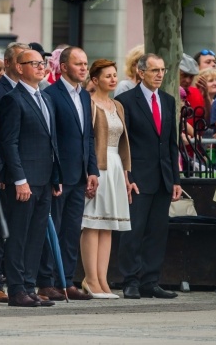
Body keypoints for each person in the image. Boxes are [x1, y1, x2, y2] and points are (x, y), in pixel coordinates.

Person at [115, 53, 182, 299]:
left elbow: (171, 143)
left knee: (157, 232)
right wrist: (127, 176)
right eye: (155, 70)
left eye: (162, 70)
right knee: (133, 232)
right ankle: (130, 280)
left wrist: (176, 179)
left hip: (163, 177)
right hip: (138, 178)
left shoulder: (167, 100)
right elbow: (124, 144)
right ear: (141, 73)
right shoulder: (125, 101)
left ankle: (150, 281)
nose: (160, 75)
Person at [0, 49, 61, 307]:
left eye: (42, 63)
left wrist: (55, 177)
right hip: (25, 180)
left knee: (37, 236)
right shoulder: (14, 99)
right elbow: (9, 143)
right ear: (20, 68)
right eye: (33, 63)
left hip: (45, 178)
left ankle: (29, 285)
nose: (40, 67)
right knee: (19, 235)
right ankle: (15, 289)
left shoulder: (45, 98)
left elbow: (51, 141)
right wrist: (19, 179)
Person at [37, 47, 99, 302]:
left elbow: (89, 137)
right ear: (63, 67)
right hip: (60, 177)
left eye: (85, 63)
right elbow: (50, 140)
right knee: (54, 229)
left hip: (80, 175)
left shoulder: (84, 96)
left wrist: (92, 170)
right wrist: (55, 175)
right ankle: (48, 281)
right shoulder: (50, 94)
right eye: (78, 64)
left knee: (72, 231)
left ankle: (68, 281)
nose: (84, 68)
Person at [0, 42, 29, 303]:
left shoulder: (32, 91)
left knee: (18, 230)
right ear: (11, 63)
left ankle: (18, 280)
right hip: (3, 172)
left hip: (24, 170)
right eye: (23, 60)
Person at [80, 59, 131, 300]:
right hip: (98, 166)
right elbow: (87, 140)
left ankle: (103, 279)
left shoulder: (117, 105)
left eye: (114, 74)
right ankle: (90, 280)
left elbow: (123, 144)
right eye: (107, 75)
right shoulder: (89, 104)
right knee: (92, 223)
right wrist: (88, 171)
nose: (112, 79)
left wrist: (126, 177)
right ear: (95, 79)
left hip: (115, 166)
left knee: (108, 224)